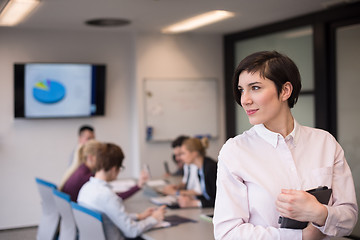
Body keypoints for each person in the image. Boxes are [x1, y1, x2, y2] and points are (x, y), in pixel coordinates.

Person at [213, 51, 358, 239]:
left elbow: (349, 218)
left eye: (255, 88)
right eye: (241, 90)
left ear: (285, 91)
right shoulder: (235, 151)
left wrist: (319, 213)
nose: (244, 100)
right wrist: (300, 237)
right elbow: (227, 233)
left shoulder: (325, 142)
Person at [77, 142, 166, 240]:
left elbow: (111, 215)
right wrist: (154, 218)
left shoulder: (85, 189)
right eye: (120, 168)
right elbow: (132, 231)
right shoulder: (107, 196)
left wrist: (139, 216)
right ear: (114, 169)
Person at [61, 140, 148, 202]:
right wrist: (138, 186)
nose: (104, 160)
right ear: (91, 157)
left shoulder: (81, 170)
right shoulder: (86, 178)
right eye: (101, 157)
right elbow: (113, 198)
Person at [175, 137, 217, 208]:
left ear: (194, 153)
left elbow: (217, 200)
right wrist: (191, 198)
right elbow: (206, 195)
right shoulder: (200, 168)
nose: (180, 158)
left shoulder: (210, 168)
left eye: (183, 153)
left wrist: (194, 203)